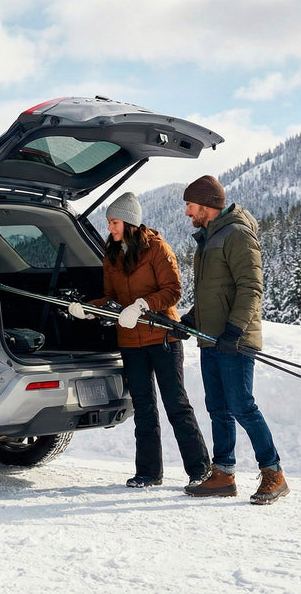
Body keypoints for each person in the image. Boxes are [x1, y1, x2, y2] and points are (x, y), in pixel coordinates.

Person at [68, 191, 211, 489]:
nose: (110, 227)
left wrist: (143, 305)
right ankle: (148, 472)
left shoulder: (156, 248)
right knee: (144, 408)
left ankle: (200, 470)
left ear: (130, 222)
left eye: (115, 222)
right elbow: (111, 297)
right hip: (131, 342)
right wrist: (89, 309)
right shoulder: (112, 254)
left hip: (162, 338)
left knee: (176, 405)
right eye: (109, 222)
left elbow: (173, 290)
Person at [179, 175, 289, 505]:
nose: (187, 212)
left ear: (207, 205)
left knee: (242, 405)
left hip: (234, 340)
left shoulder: (237, 234)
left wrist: (235, 330)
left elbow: (251, 288)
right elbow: (213, 292)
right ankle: (223, 474)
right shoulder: (209, 237)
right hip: (212, 338)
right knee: (218, 408)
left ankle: (274, 473)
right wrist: (192, 318)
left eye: (190, 205)